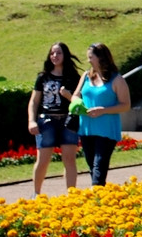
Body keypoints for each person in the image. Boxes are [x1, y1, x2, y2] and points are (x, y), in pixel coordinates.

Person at [27, 42, 80, 195]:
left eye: (58, 53)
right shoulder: (43, 77)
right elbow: (34, 101)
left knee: (69, 159)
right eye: (52, 53)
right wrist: (32, 120)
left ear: (65, 55)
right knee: (43, 160)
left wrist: (68, 95)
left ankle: (71, 194)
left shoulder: (73, 77)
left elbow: (79, 101)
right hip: (47, 121)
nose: (55, 56)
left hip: (67, 121)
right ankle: (36, 193)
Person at [75, 42, 131, 186]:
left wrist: (103, 110)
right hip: (86, 128)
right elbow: (76, 96)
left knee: (99, 164)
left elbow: (126, 105)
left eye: (91, 57)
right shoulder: (86, 76)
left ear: (101, 58)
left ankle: (96, 194)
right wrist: (74, 101)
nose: (88, 61)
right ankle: (101, 196)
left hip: (106, 129)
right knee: (92, 166)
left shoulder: (117, 79)